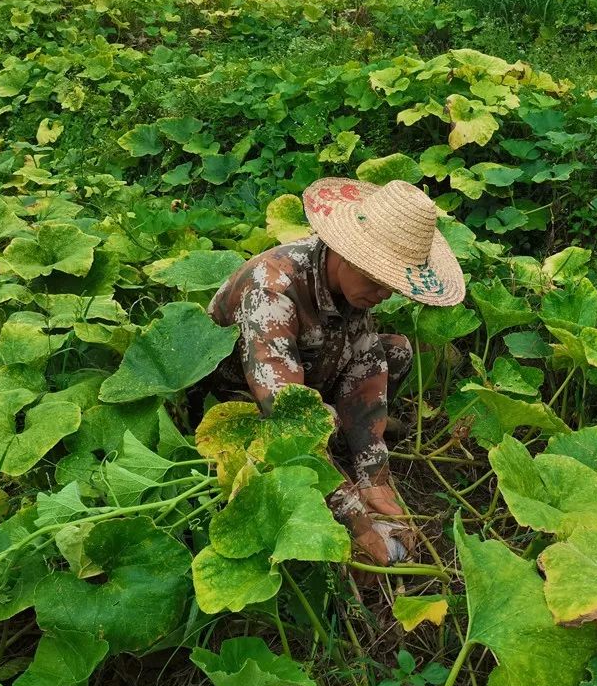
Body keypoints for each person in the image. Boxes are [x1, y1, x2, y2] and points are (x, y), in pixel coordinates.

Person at [199, 177, 465, 566]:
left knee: (396, 353)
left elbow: (366, 367)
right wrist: (354, 520)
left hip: (308, 372)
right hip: (247, 401)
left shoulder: (349, 286)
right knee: (315, 427)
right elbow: (290, 422)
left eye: (391, 284)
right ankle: (334, 459)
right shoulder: (272, 289)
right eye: (378, 280)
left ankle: (345, 450)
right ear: (345, 253)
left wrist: (376, 476)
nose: (384, 294)